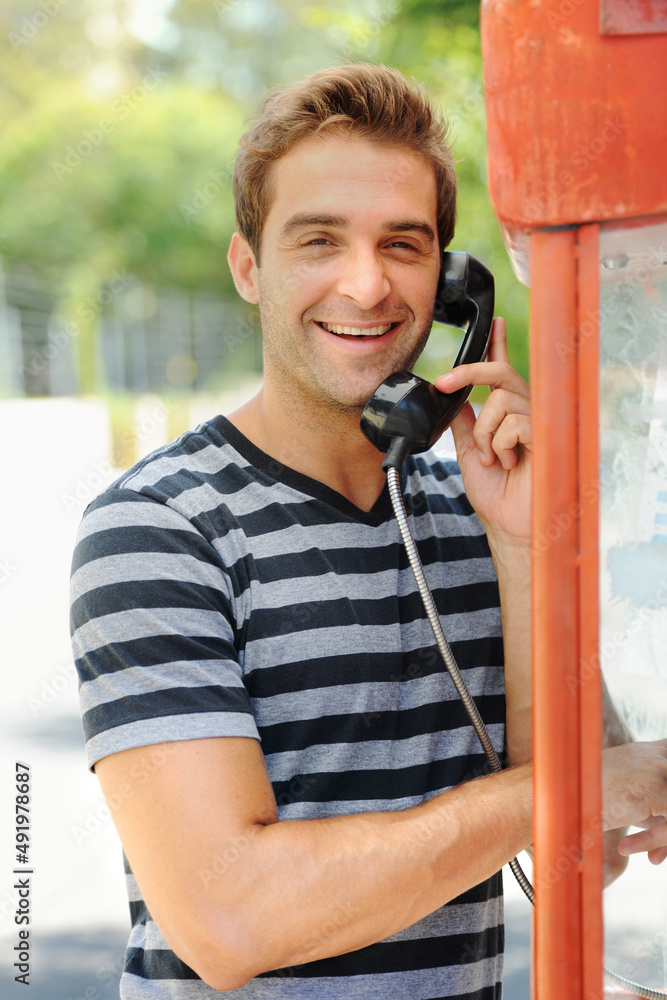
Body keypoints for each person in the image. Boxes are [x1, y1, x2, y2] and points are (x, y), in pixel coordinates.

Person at [70, 64, 667, 999]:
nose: (366, 284)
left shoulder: (484, 511)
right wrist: (552, 797)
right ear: (247, 266)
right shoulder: (158, 530)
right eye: (318, 240)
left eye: (404, 244)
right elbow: (231, 920)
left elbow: (588, 853)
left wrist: (520, 548)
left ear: (452, 283)